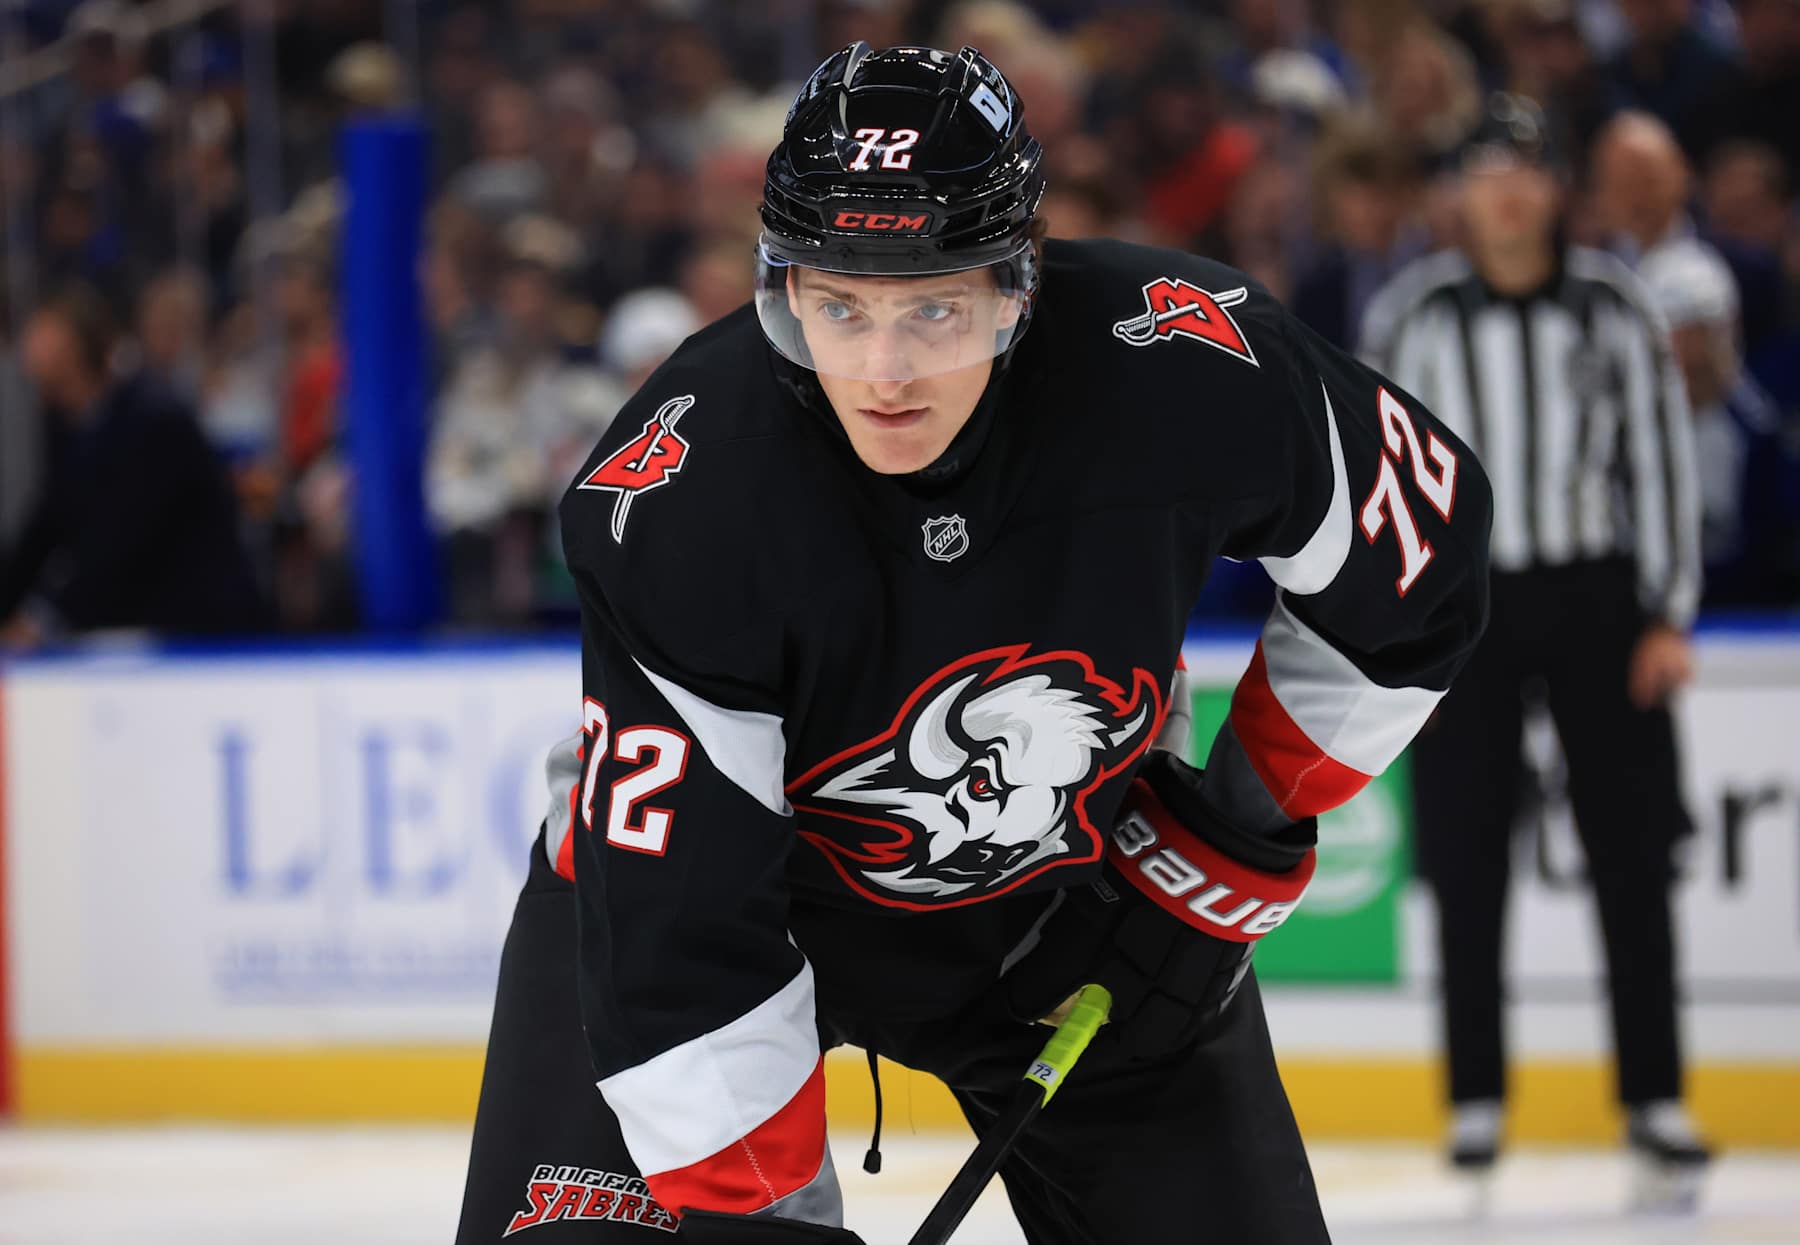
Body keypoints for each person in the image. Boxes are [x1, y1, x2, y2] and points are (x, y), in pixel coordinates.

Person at [456, 44, 1491, 1244]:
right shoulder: (684, 494)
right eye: (840, 306)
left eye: (934, 306)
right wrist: (770, 1221)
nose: (886, 373)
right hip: (717, 923)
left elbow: (1420, 554)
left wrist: (1228, 840)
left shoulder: (1184, 365)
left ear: (1019, 281)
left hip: (1073, 921)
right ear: (782, 288)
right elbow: (684, 933)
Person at [1360, 93, 1712, 1196]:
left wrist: (1666, 614)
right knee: (1465, 855)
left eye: (1525, 169)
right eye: (1483, 171)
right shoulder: (1413, 314)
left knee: (1631, 854)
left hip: (1598, 600)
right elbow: (1384, 474)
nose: (1506, 190)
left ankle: (1654, 1098)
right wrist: (1394, 614)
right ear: (1457, 196)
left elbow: (1660, 463)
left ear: (1557, 187)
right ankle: (1474, 1101)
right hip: (1466, 610)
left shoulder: (1614, 306)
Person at [0, 283, 264, 647]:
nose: (29, 347)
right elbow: (44, 529)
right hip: (131, 625)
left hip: (196, 633)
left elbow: (117, 546)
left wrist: (42, 622)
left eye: (44, 334)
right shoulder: (66, 425)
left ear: (74, 347)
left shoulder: (151, 420)